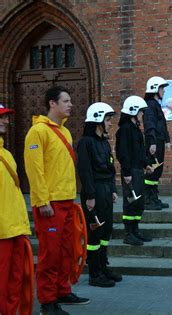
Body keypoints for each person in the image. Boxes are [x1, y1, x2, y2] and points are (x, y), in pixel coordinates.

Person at [24, 86, 89, 314]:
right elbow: (34, 169)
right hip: (50, 204)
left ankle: (62, 290)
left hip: (67, 201)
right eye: (66, 101)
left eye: (70, 100)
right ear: (52, 103)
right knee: (50, 254)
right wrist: (42, 202)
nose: (70, 104)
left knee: (66, 252)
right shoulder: (38, 132)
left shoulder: (66, 132)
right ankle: (47, 301)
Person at [76, 102, 123, 287]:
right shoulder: (85, 143)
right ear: (97, 120)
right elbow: (85, 171)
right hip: (93, 192)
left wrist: (112, 190)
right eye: (108, 119)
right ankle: (94, 273)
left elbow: (111, 168)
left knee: (106, 230)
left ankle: (103, 266)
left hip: (104, 191)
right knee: (94, 234)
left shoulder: (103, 142)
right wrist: (90, 196)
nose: (110, 123)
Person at [0, 104, 32, 314]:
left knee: (14, 282)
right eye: (1, 118)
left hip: (15, 228)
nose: (6, 121)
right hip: (2, 230)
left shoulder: (6, 154)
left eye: (6, 118)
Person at [116, 95, 153, 246]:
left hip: (138, 170)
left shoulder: (135, 129)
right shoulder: (124, 130)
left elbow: (139, 151)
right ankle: (128, 234)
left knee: (139, 202)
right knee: (131, 202)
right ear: (133, 111)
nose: (142, 114)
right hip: (131, 172)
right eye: (140, 111)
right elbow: (123, 153)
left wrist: (146, 165)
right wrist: (127, 173)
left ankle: (135, 231)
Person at [143, 76, 171, 210]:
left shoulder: (156, 105)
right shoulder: (149, 105)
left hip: (159, 142)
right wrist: (152, 142)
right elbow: (150, 125)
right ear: (155, 89)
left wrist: (167, 140)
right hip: (154, 144)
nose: (163, 91)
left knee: (157, 170)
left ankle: (154, 198)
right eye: (162, 89)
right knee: (152, 171)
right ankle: (148, 200)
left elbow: (162, 124)